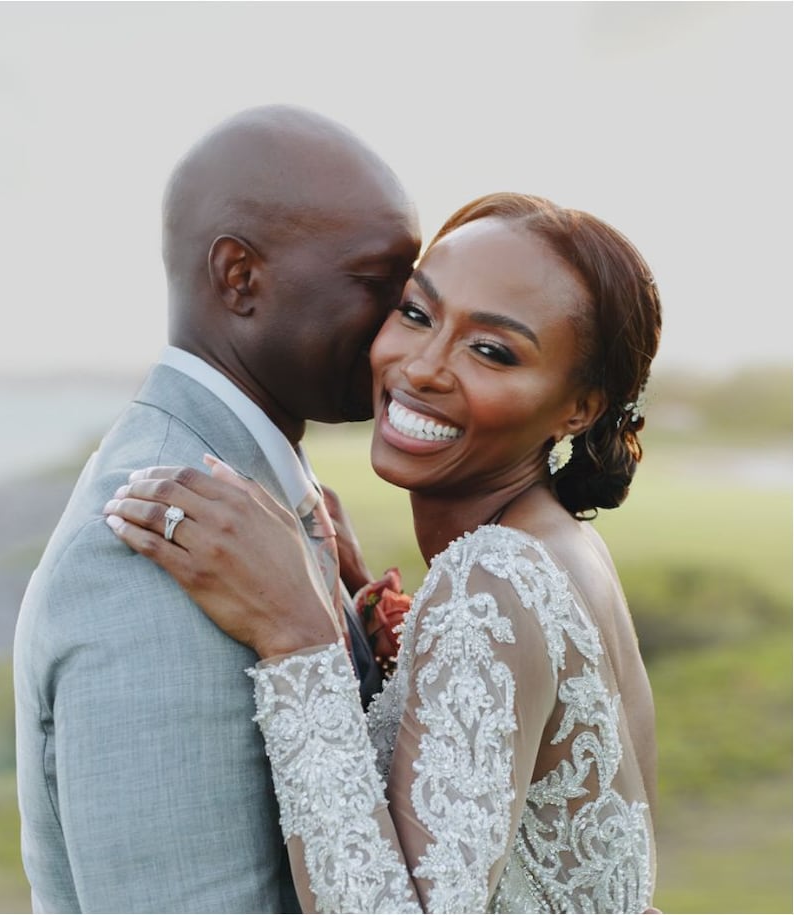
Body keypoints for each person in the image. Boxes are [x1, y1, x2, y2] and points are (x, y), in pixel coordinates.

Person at [104, 192, 661, 912]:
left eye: (492, 350)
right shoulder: (566, 546)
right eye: (417, 313)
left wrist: (296, 632)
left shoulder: (493, 580)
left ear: (579, 407)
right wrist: (381, 639)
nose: (424, 366)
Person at [12, 105, 420, 912]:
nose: (407, 329)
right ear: (240, 277)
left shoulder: (258, 505)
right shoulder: (155, 544)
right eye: (379, 286)